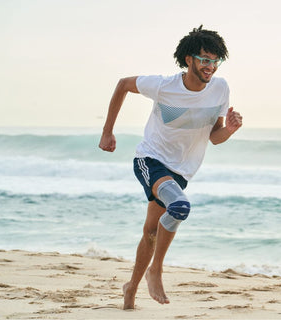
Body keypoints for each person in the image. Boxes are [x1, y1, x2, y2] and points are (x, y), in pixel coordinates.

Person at [98, 25, 243, 309]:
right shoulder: (164, 86)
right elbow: (123, 84)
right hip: (150, 159)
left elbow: (215, 136)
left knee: (151, 231)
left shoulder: (220, 89)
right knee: (179, 207)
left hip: (181, 171)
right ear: (188, 59)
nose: (210, 66)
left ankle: (131, 288)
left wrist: (231, 130)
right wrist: (107, 131)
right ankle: (157, 270)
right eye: (204, 59)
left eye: (215, 60)